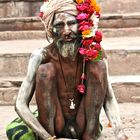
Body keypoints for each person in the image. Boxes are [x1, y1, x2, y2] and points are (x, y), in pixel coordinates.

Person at [11, 0, 129, 139]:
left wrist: (119, 132)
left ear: (81, 25)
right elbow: (20, 104)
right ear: (51, 29)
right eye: (59, 25)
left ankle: (89, 136)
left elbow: (108, 98)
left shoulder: (95, 52)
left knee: (98, 66)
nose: (66, 31)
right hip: (54, 127)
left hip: (84, 125)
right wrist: (46, 137)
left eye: (71, 23)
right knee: (45, 71)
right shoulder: (40, 56)